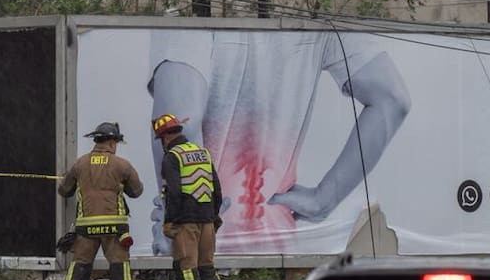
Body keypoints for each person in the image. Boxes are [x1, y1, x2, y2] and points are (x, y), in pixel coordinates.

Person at [147, 31, 411, 255]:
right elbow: (392, 98)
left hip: (205, 243)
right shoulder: (314, 13)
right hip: (279, 241)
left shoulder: (194, 11)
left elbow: (180, 123)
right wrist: (324, 200)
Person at [57, 122, 144, 280]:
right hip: (115, 227)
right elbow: (137, 191)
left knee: (80, 263)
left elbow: (64, 190)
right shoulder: (122, 165)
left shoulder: (80, 164)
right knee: (119, 264)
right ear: (112, 142)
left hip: (86, 226)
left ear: (96, 141)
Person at [154, 113, 223, 280]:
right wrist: (214, 216)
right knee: (207, 267)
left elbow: (174, 192)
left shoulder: (172, 156)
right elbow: (217, 189)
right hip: (207, 218)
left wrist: (171, 221)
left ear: (166, 136)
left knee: (187, 267)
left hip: (186, 221)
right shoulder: (203, 153)